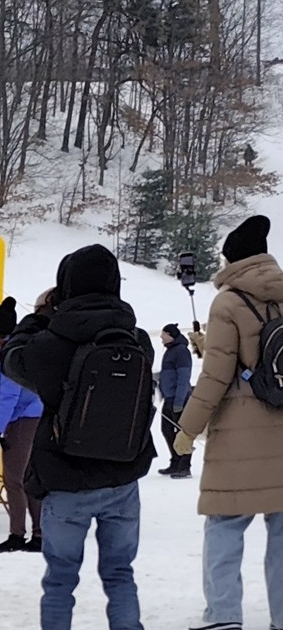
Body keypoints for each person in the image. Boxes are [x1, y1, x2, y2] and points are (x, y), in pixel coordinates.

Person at [1, 244, 155, 630]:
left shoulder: (52, 343)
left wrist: (36, 320)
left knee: (60, 580)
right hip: (123, 475)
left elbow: (12, 362)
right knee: (120, 574)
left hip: (66, 477)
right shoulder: (138, 339)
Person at [174, 215, 283, 630]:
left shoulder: (229, 302)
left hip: (239, 434)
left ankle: (223, 615)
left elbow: (217, 376)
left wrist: (187, 428)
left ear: (233, 258)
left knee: (225, 524)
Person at [0, 297, 44, 553]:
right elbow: (1, 382)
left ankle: (17, 534)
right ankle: (38, 534)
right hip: (34, 416)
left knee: (13, 479)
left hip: (22, 420)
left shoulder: (9, 353)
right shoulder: (19, 350)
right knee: (29, 477)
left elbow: (7, 397)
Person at [158, 322, 194, 479]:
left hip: (179, 399)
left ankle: (185, 466)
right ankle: (175, 462)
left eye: (163, 334)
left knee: (182, 433)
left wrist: (179, 402)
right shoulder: (171, 351)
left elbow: (183, 377)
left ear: (170, 335)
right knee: (166, 430)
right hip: (169, 398)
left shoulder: (181, 351)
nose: (161, 337)